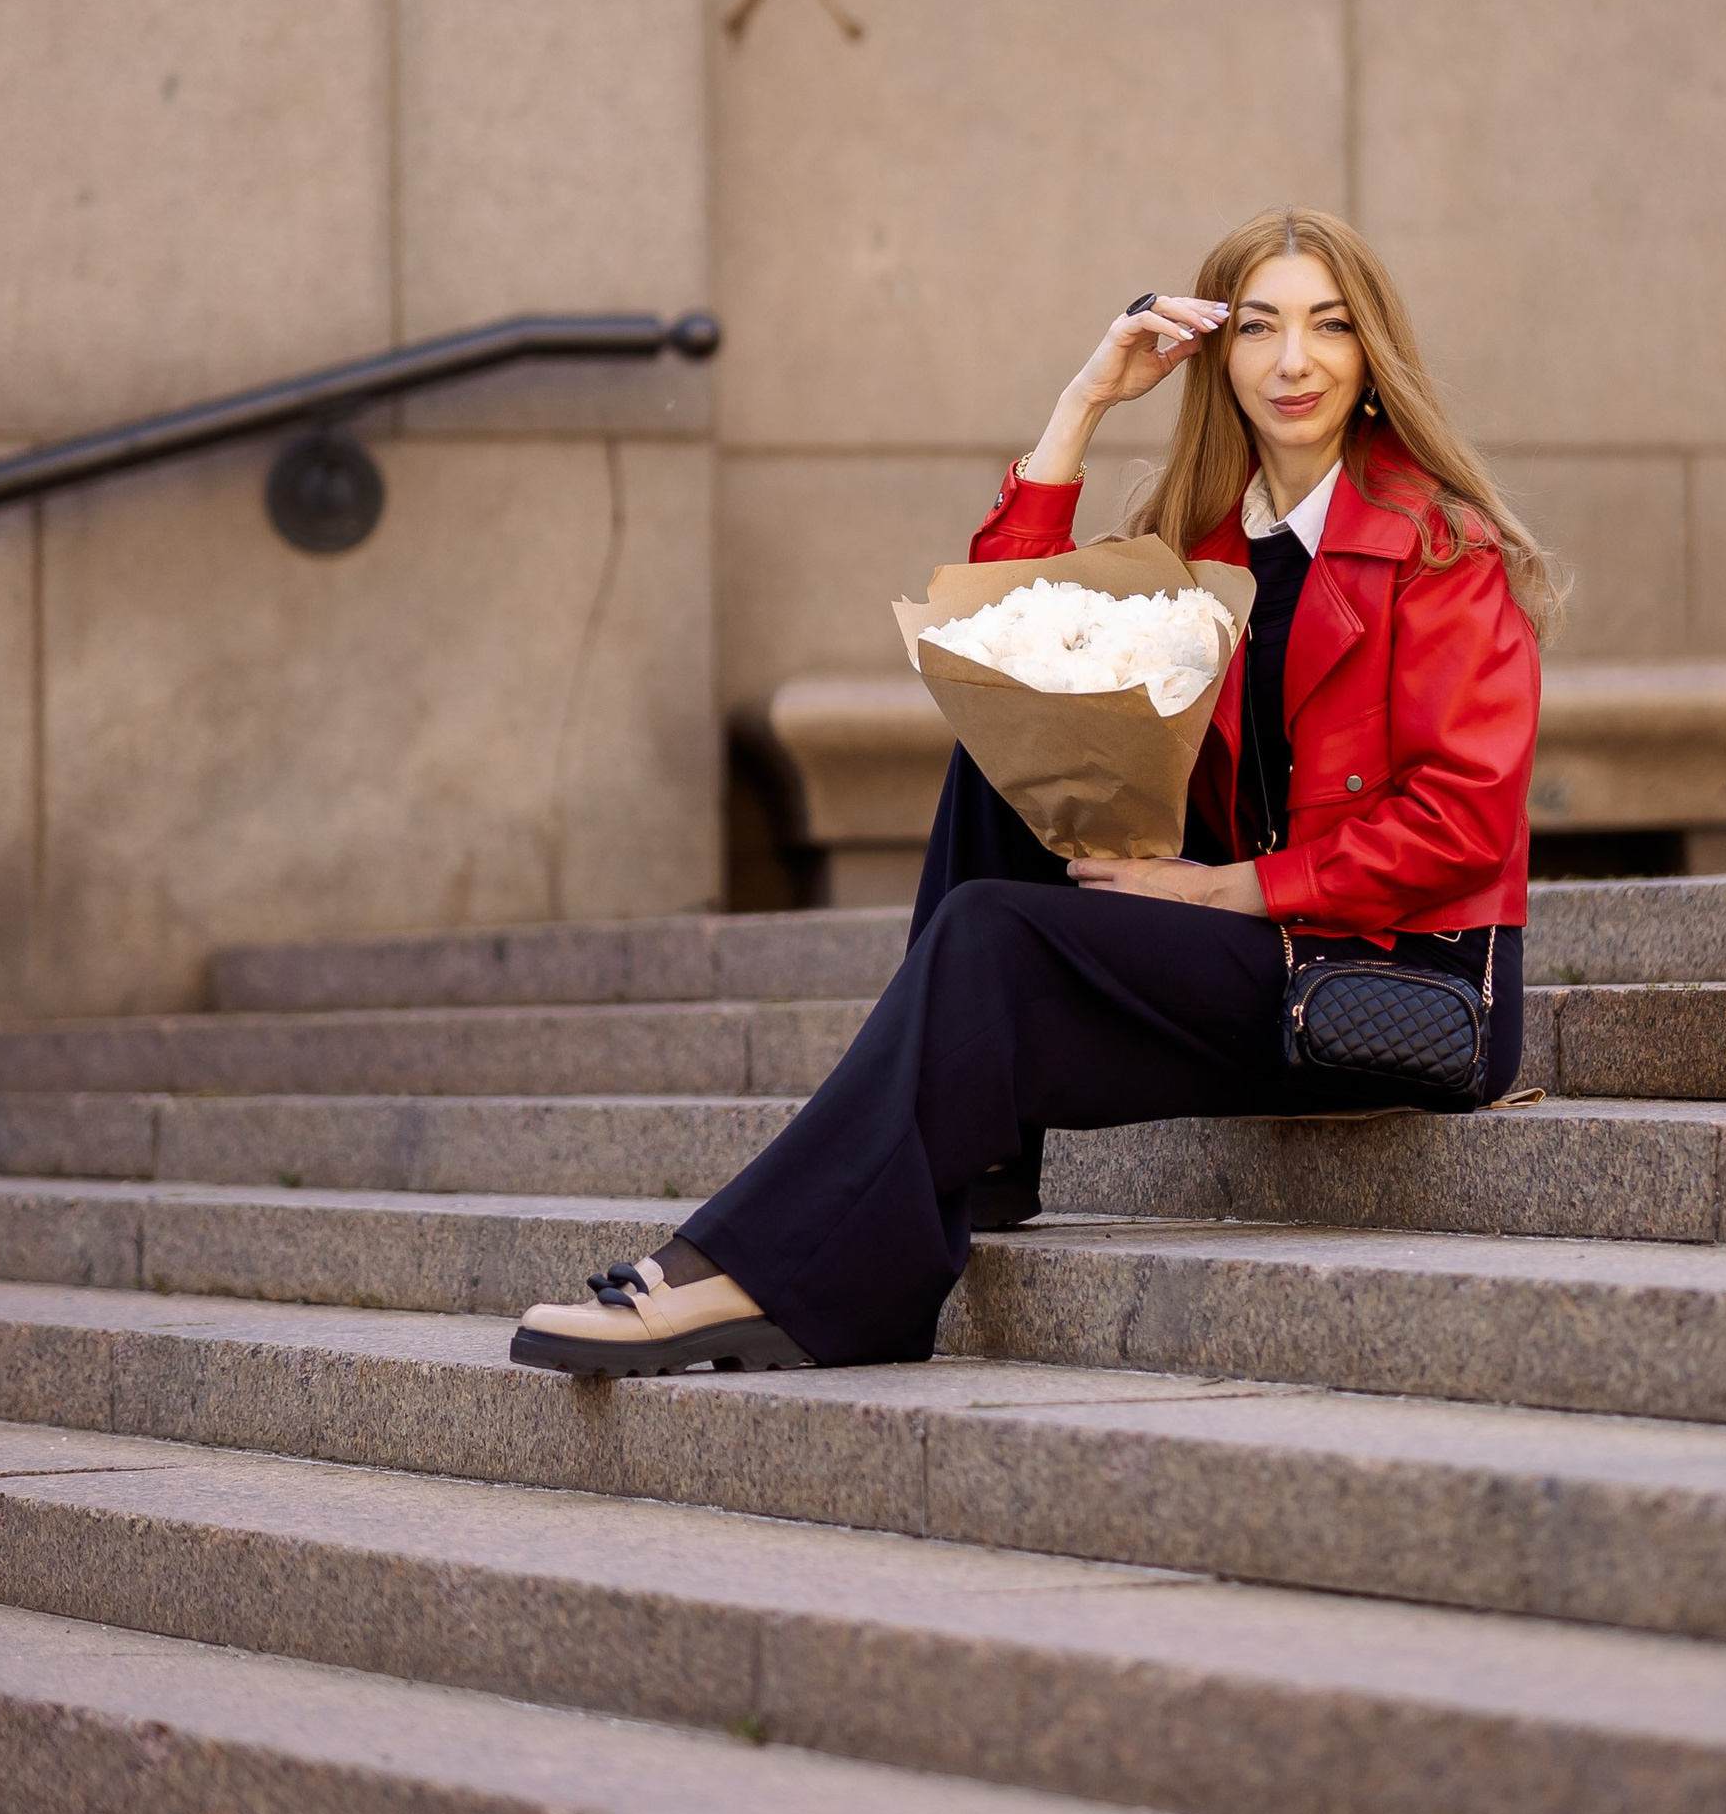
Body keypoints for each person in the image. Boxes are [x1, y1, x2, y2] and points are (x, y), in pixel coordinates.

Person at [511, 207, 1555, 1377]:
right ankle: (980, 1157)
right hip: (1265, 938)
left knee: (993, 936)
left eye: (1327, 326)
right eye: (1257, 328)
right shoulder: (1201, 535)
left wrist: (1222, 893)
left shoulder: (1440, 550)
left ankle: (762, 1274)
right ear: (1217, 355)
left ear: (1371, 357)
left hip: (1396, 984)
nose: (1292, 361)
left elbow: (1461, 824)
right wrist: (1082, 406)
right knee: (1007, 754)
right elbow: (1002, 653)